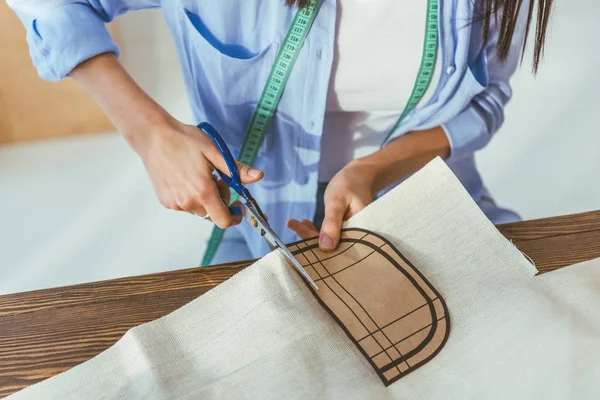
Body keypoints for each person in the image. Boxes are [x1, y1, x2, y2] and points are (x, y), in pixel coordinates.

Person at [8, 0, 552, 265]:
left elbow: (487, 95)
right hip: (259, 228)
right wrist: (148, 132)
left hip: (435, 199)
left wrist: (377, 168)